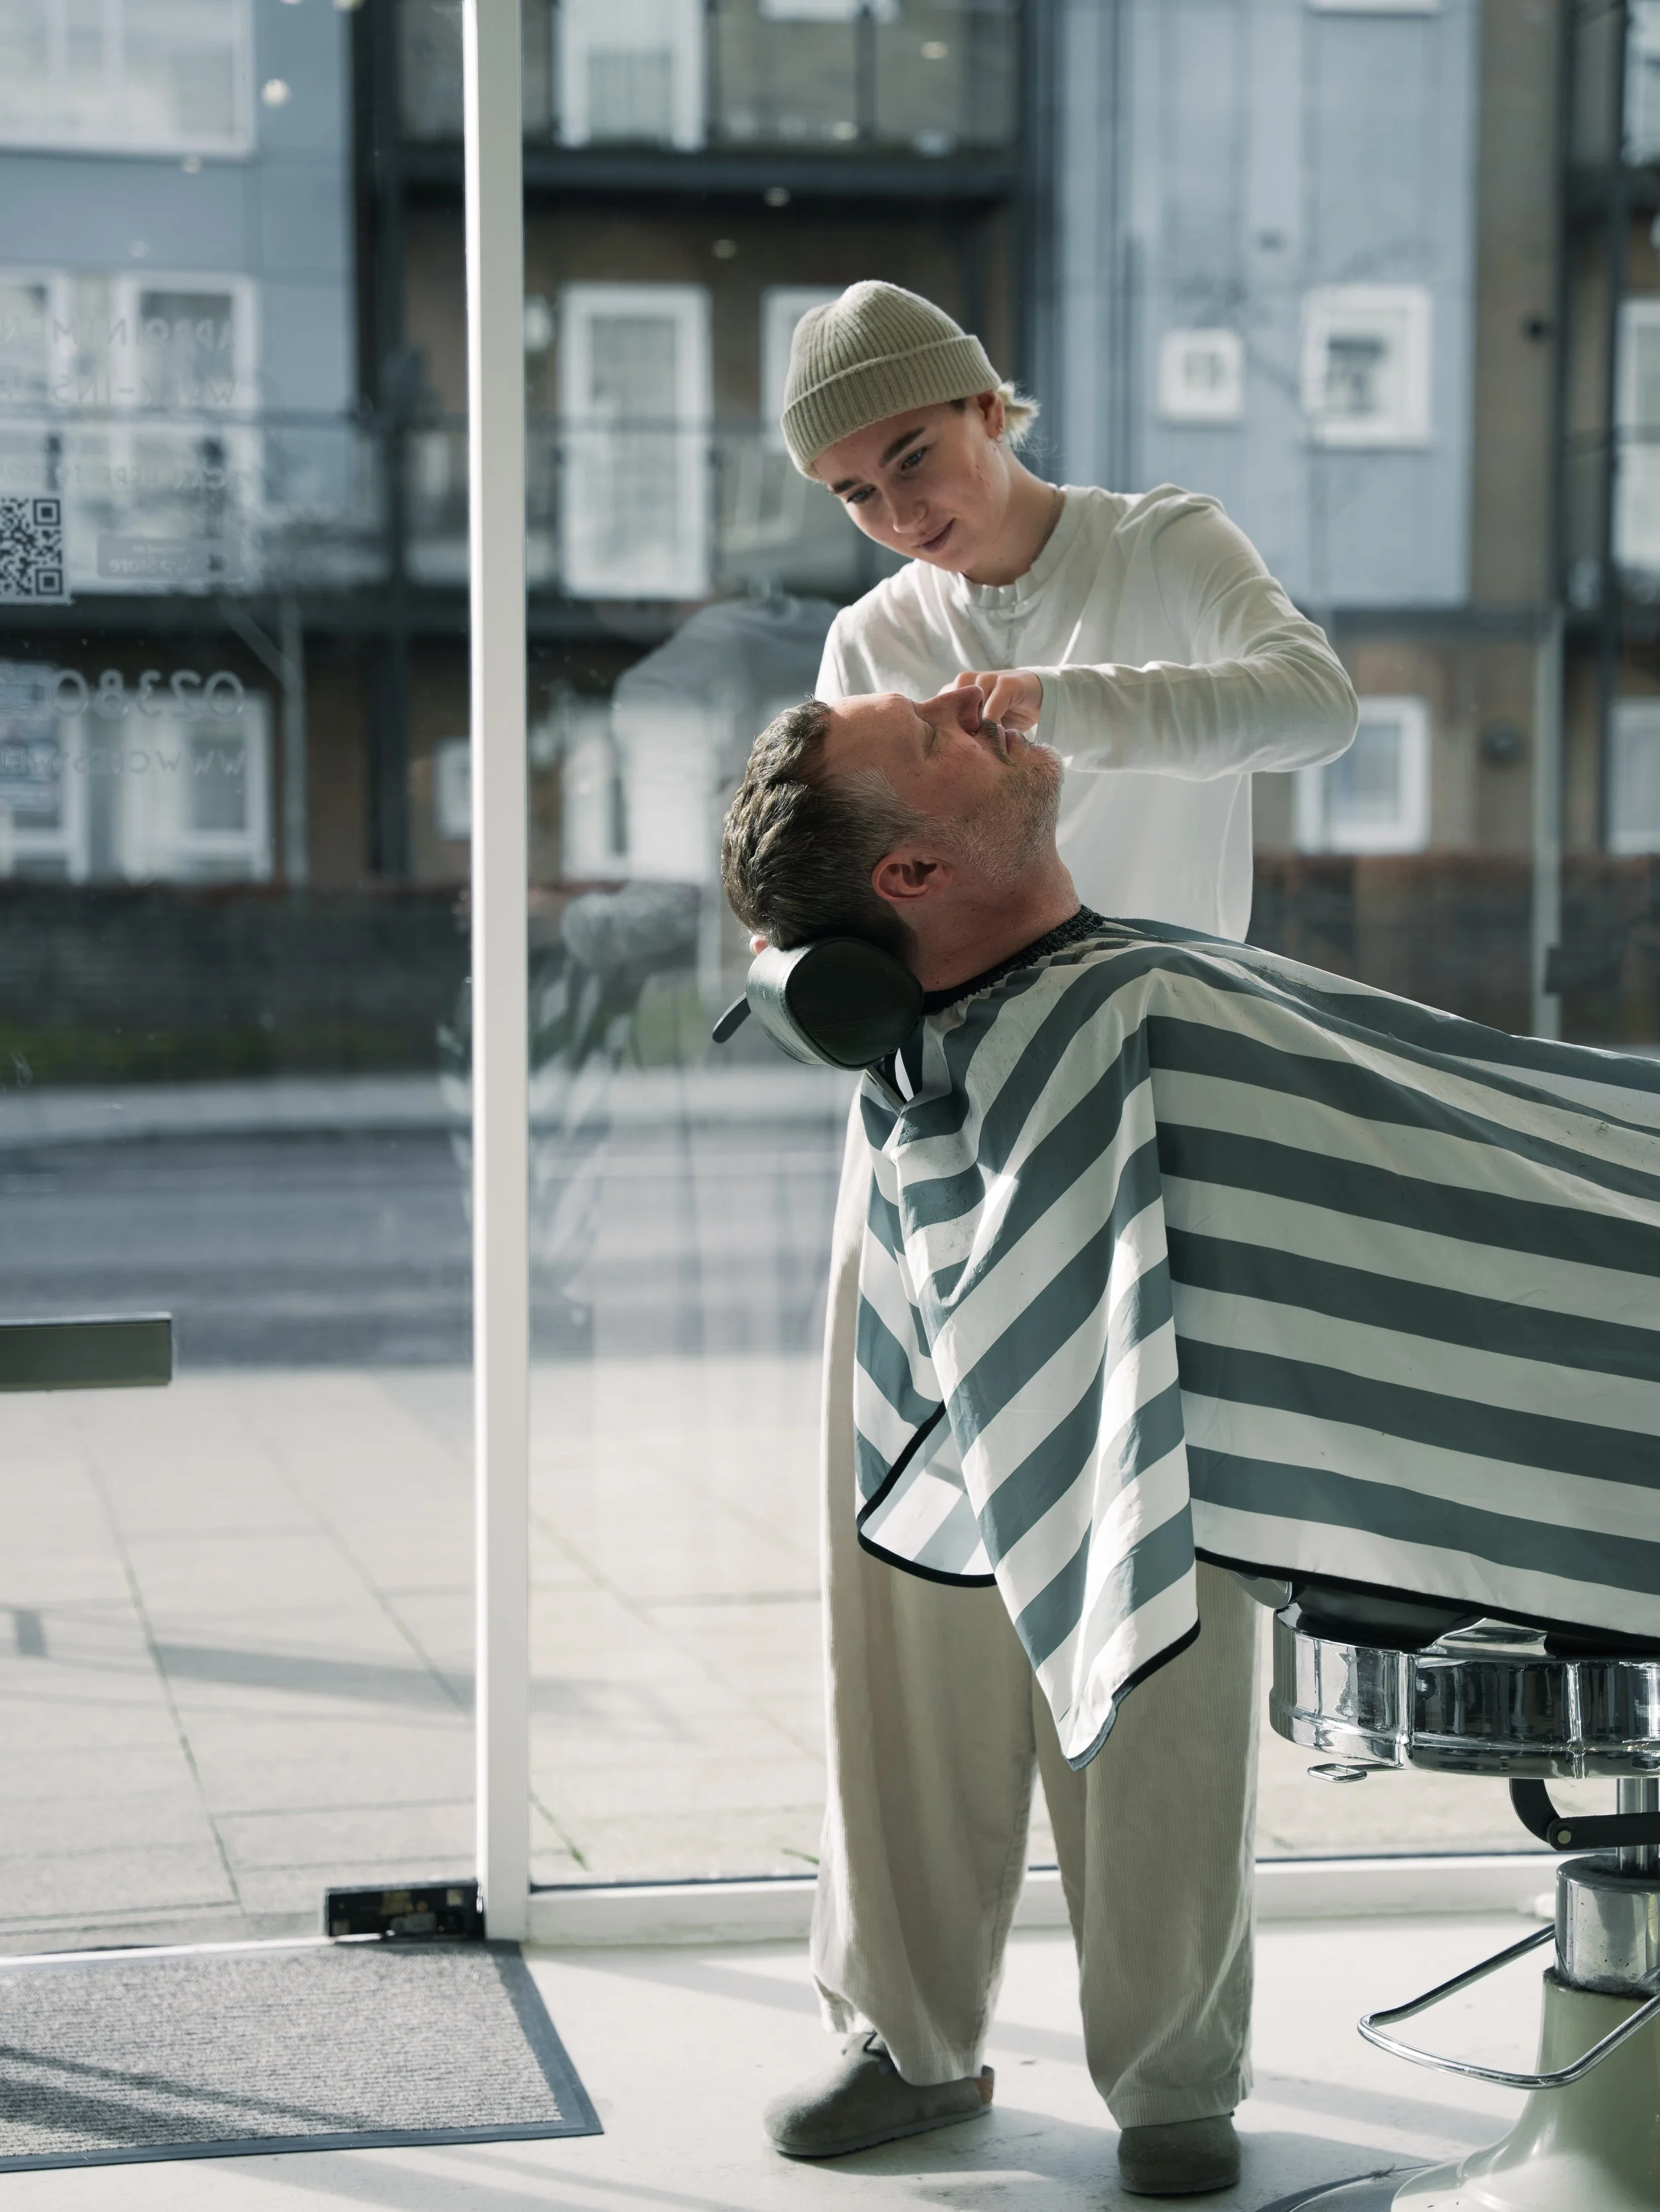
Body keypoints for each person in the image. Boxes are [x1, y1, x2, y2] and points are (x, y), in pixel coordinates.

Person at [761, 283, 1358, 2201]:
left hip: (1161, 1141)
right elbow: (822, 880)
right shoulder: (872, 635)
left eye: (909, 457)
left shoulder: (1158, 550)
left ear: (979, 403)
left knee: (1159, 1618)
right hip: (936, 1153)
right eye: (856, 490)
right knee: (907, 1611)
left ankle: (1172, 2077)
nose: (898, 511)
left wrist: (1060, 712)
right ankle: (901, 2036)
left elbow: (1312, 708)